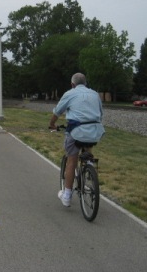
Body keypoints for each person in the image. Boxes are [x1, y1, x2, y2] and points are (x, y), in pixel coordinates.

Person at [49, 72, 105, 207]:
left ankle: (67, 196)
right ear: (85, 83)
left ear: (72, 84)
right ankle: (89, 168)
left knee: (71, 160)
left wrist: (52, 124)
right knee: (88, 147)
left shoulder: (70, 93)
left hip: (77, 132)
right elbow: (100, 114)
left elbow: (57, 112)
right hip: (95, 131)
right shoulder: (95, 94)